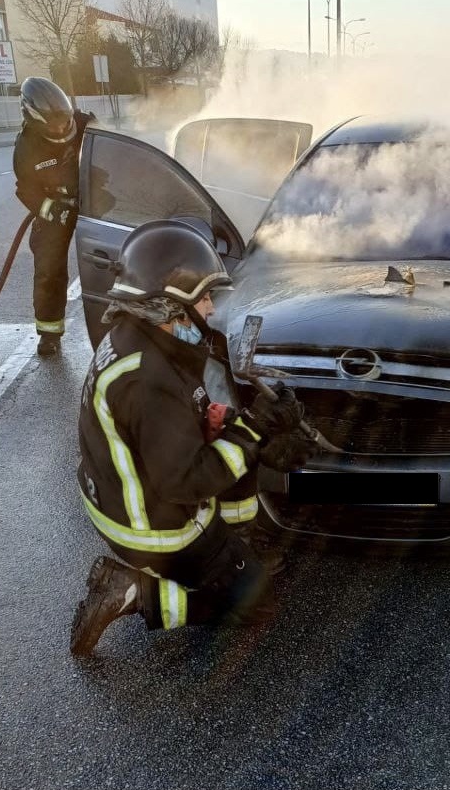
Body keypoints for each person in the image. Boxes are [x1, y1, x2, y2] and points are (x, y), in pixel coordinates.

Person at [70, 219, 318, 658]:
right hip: (152, 528)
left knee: (235, 439)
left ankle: (237, 542)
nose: (209, 307)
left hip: (119, 496)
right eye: (202, 297)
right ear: (170, 307)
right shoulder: (149, 379)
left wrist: (247, 428)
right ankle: (131, 591)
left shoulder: (141, 340)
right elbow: (185, 481)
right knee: (257, 606)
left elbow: (184, 428)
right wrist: (255, 430)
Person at [13, 77, 94, 357]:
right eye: (54, 124)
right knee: (49, 269)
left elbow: (113, 155)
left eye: (65, 121)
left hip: (92, 201)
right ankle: (49, 333)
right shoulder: (26, 147)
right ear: (34, 120)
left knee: (114, 256)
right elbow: (25, 190)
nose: (61, 128)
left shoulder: (86, 124)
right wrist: (51, 209)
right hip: (55, 209)